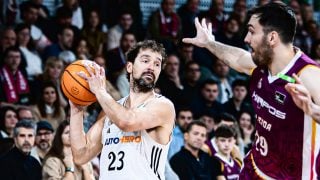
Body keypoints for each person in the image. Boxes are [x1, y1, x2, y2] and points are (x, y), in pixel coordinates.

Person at [183, 2, 320, 179]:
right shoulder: (261, 64)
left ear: (272, 38)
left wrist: (313, 110)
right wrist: (209, 43)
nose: (246, 38)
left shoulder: (309, 75)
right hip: (255, 167)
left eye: (252, 31)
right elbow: (239, 58)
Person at [69, 40, 175, 179]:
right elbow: (80, 156)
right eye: (145, 61)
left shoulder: (163, 106)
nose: (151, 67)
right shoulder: (109, 112)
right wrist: (76, 110)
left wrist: (100, 91)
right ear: (129, 67)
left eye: (157, 64)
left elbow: (127, 122)